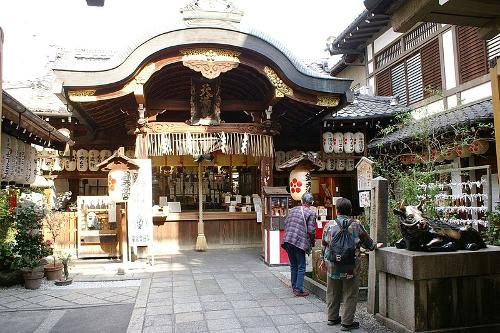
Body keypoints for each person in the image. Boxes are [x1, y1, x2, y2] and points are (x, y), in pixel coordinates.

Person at [320, 197, 383, 331]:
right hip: (350, 265)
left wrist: (322, 260)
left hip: (332, 263)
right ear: (350, 210)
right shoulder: (355, 225)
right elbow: (367, 242)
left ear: (336, 210)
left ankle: (332, 318)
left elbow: (324, 244)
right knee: (350, 292)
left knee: (332, 291)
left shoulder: (329, 225)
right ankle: (347, 322)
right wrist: (375, 246)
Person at [282, 192, 316, 297]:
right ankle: (298, 289)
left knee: (293, 265)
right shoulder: (311, 212)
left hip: (288, 239)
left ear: (302, 201)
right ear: (311, 202)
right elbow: (310, 230)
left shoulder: (293, 210)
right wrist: (312, 241)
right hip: (299, 241)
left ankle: (294, 286)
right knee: (301, 266)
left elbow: (286, 222)